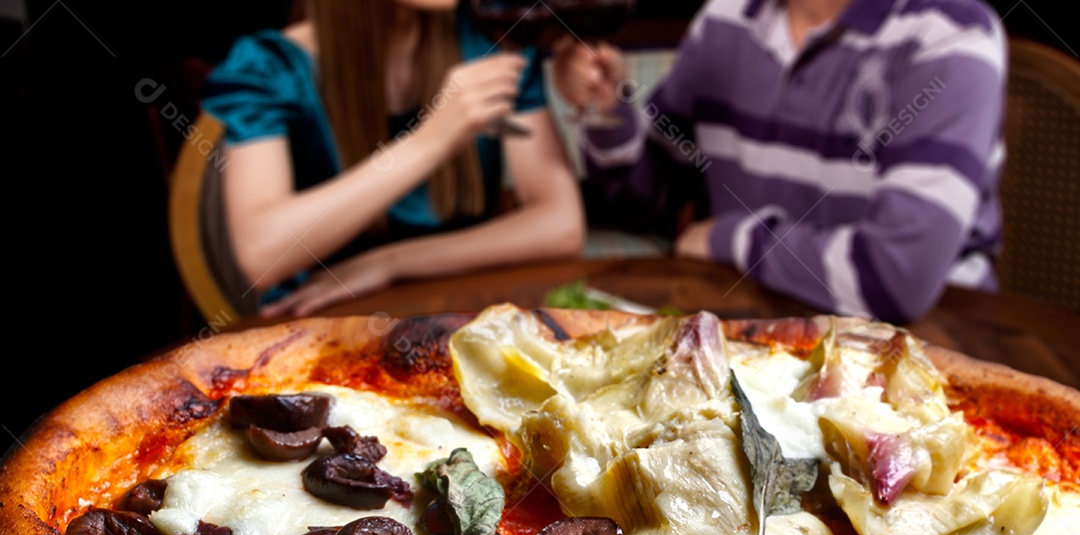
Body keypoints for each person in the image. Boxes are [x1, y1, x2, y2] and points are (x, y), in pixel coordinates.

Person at [552, 0, 1006, 323]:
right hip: (760, 319)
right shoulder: (724, 19)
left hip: (935, 340)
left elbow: (893, 278)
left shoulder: (952, 34)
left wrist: (733, 239)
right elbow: (652, 203)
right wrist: (608, 114)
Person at [201, 0, 584, 318]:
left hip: (462, 316)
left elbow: (560, 224)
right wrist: (430, 140)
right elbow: (263, 250)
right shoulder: (270, 67)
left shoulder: (490, 35)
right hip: (328, 332)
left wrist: (391, 263)